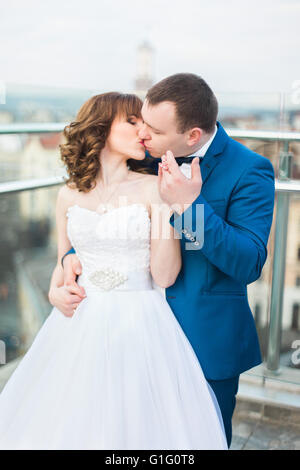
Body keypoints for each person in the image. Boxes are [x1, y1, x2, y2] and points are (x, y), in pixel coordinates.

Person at [0, 91, 227, 450]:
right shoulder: (68, 196)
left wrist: (169, 211)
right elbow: (63, 265)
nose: (143, 131)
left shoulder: (154, 188)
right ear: (102, 128)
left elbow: (165, 277)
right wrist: (54, 290)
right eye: (132, 121)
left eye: (145, 123)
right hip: (78, 325)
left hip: (140, 322)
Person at [60, 74, 275, 448]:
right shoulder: (146, 158)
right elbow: (110, 222)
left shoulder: (249, 170)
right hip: (129, 333)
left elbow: (248, 262)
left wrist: (190, 208)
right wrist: (68, 260)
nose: (143, 134)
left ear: (191, 135)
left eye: (152, 129)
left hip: (203, 339)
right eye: (139, 121)